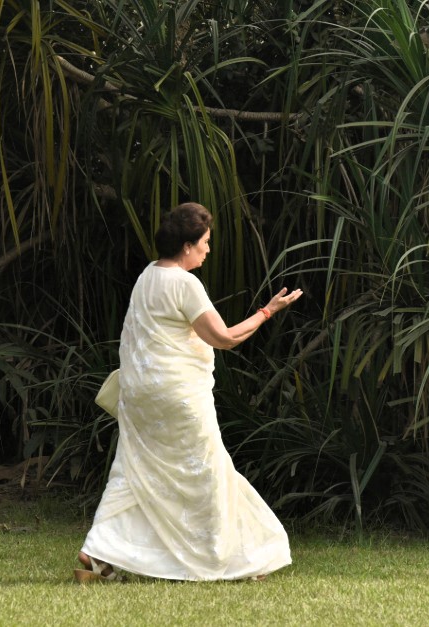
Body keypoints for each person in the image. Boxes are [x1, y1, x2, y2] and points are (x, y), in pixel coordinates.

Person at [74, 201, 303, 583]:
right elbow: (225, 338)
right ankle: (232, 561)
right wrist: (267, 311)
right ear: (186, 246)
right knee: (209, 473)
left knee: (131, 471)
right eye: (205, 242)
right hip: (177, 397)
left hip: (140, 397)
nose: (208, 250)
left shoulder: (147, 276)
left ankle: (95, 553)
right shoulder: (184, 283)